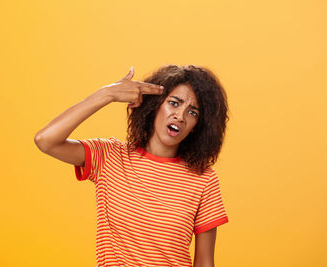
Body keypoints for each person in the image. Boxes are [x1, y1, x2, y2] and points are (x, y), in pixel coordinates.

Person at [34, 64, 230, 267]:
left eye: (193, 113)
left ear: (197, 127)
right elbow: (45, 140)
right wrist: (107, 94)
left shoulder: (203, 179)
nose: (180, 116)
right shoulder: (110, 156)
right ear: (155, 105)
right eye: (174, 103)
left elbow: (205, 262)